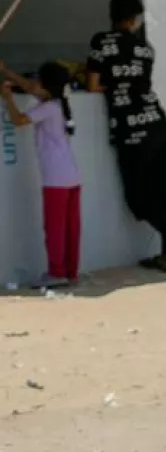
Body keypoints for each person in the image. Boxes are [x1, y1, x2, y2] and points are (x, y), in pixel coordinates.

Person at [87, 0, 166, 273]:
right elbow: (139, 82)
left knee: (137, 198)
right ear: (134, 19)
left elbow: (93, 85)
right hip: (157, 123)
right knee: (162, 193)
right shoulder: (145, 48)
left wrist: (112, 87)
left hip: (131, 130)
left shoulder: (101, 42)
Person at [0, 62, 81, 288]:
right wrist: (6, 71)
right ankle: (70, 272)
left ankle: (56, 273)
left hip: (56, 179)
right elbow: (28, 86)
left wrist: (8, 99)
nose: (32, 83)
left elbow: (18, 120)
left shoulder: (48, 108)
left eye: (37, 80)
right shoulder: (57, 103)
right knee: (70, 229)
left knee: (54, 228)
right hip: (72, 177)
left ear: (45, 86)